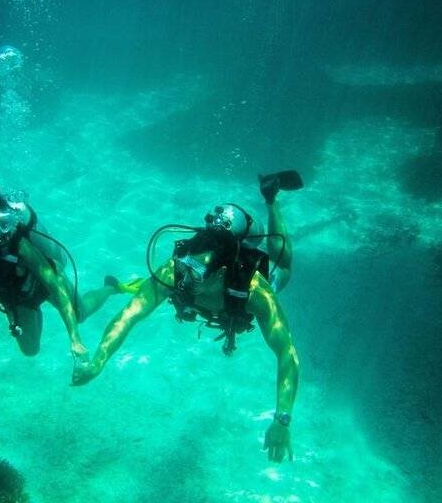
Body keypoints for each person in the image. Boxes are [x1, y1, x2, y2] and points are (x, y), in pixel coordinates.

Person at [72, 171, 302, 462]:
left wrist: (282, 419)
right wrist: (98, 362)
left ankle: (271, 200)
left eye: (198, 271)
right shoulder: (175, 270)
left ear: (221, 273)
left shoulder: (255, 288)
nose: (189, 277)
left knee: (285, 266)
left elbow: (287, 352)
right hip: (215, 287)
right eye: (187, 266)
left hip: (245, 286)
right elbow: (128, 316)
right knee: (149, 285)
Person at [0, 185, 133, 360]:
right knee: (30, 350)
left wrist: (74, 338)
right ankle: (30, 312)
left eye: (3, 223)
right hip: (18, 296)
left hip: (43, 283)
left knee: (80, 315)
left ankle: (111, 287)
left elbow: (54, 286)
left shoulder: (19, 246)